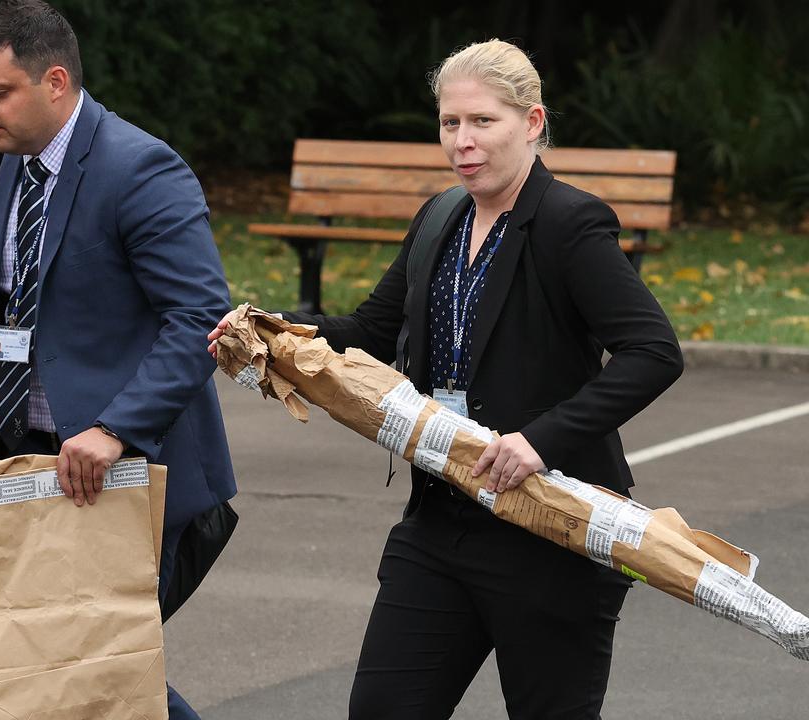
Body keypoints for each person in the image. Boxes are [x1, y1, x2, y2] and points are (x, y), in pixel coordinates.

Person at [209, 39, 683, 718]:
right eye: (450, 123)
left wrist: (539, 440)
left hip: (549, 526)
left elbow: (654, 351)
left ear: (532, 123)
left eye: (483, 122)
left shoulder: (569, 223)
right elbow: (371, 331)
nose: (463, 141)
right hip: (441, 520)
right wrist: (266, 327)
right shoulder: (439, 218)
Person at [0, 2, 235, 717]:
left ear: (54, 81)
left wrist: (115, 426)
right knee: (52, 676)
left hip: (124, 473)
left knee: (82, 672)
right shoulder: (1, 162)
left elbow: (201, 317)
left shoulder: (139, 168)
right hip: (25, 465)